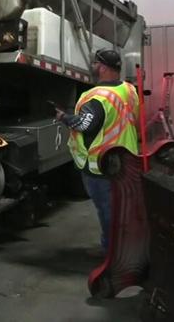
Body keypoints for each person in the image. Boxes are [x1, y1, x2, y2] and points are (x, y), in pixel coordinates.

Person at [56, 49, 139, 256]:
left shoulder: (96, 96)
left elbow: (85, 124)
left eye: (94, 63)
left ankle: (112, 253)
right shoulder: (129, 90)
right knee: (122, 209)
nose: (92, 67)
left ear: (102, 67)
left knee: (107, 211)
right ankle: (125, 246)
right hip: (126, 161)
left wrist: (63, 117)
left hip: (101, 166)